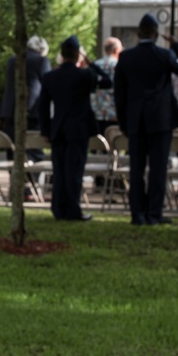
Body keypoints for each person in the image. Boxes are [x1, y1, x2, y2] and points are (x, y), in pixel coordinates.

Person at [114, 13, 178, 226]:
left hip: (136, 120)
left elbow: (119, 93)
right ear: (157, 34)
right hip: (160, 120)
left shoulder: (126, 57)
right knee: (158, 169)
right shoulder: (164, 55)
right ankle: (154, 213)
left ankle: (137, 214)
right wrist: (177, 46)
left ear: (139, 33)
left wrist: (123, 122)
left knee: (136, 169)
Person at [38, 35, 112, 221]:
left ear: (62, 55)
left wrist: (46, 131)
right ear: (78, 54)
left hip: (58, 129)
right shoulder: (85, 75)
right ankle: (72, 210)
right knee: (75, 172)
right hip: (78, 129)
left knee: (60, 170)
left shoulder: (50, 77)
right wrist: (91, 63)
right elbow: (107, 81)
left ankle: (58, 209)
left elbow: (43, 107)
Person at [0, 35, 51, 160]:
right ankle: (33, 178)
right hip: (32, 111)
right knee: (34, 149)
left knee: (12, 148)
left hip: (10, 109)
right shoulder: (42, 61)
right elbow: (49, 84)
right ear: (42, 50)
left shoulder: (12, 59)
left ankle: (14, 177)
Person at [90, 37, 122, 133]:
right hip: (113, 114)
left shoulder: (96, 65)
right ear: (116, 50)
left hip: (96, 113)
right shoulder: (118, 66)